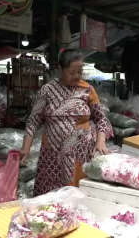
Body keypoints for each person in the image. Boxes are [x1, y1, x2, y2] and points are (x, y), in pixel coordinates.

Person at [19, 49, 110, 196]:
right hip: (52, 157)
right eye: (72, 72)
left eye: (80, 71)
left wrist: (101, 142)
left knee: (78, 198)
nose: (77, 76)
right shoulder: (47, 91)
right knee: (51, 201)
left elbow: (101, 118)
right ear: (61, 70)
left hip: (81, 156)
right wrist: (26, 148)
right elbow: (33, 120)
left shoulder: (88, 90)